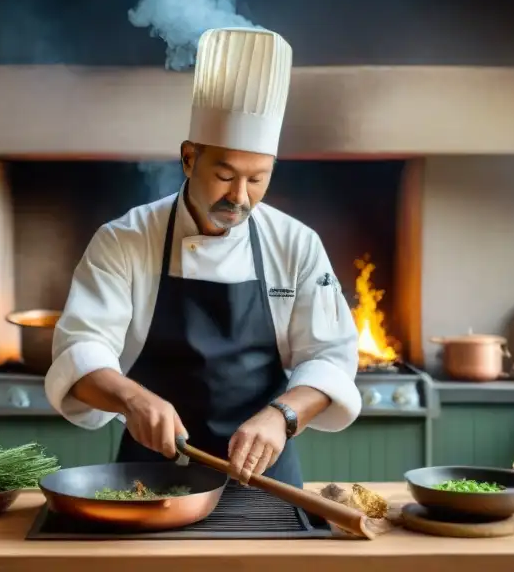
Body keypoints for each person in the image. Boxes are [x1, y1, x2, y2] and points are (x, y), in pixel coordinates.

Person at [44, 27, 361, 488]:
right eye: (225, 174)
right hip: (149, 476)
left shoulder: (297, 244)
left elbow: (331, 357)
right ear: (190, 157)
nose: (239, 197)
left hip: (263, 476)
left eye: (257, 180)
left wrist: (283, 416)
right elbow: (80, 349)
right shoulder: (125, 240)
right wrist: (132, 399)